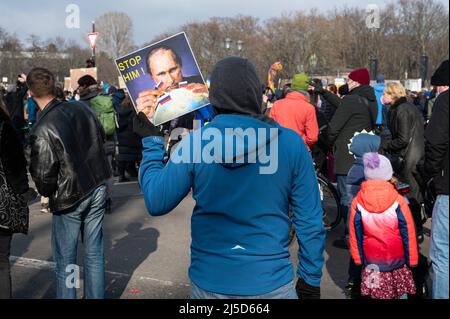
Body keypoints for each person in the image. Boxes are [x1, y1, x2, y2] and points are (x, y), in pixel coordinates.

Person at [133, 57, 326, 299]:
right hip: (271, 281)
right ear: (257, 95)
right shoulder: (291, 143)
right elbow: (309, 219)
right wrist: (310, 280)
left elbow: (156, 200)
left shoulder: (195, 143)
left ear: (215, 99)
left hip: (211, 282)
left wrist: (150, 142)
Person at [26, 68, 111, 299]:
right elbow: (101, 137)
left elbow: (44, 181)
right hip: (96, 183)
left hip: (72, 195)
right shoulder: (80, 107)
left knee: (67, 261)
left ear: (31, 92)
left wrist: (46, 191)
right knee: (94, 253)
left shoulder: (42, 129)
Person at [349, 152, 418, 299]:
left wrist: (357, 258)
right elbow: (409, 232)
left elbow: (355, 234)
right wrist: (412, 259)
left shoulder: (358, 202)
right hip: (397, 260)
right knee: (400, 291)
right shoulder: (398, 200)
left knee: (374, 293)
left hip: (372, 261)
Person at [325, 68, 378, 248]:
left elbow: (334, 128)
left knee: (348, 197)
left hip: (348, 155)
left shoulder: (351, 100)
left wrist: (326, 142)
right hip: (367, 154)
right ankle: (362, 233)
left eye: (349, 80)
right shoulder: (371, 100)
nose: (347, 83)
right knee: (361, 195)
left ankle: (351, 237)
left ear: (356, 82)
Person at [380, 82, 425, 240]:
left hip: (409, 157)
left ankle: (415, 231)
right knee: (413, 194)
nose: (383, 97)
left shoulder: (402, 110)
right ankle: (414, 229)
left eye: (386, 94)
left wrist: (386, 145)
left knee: (410, 196)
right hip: (414, 155)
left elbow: (403, 139)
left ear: (393, 94)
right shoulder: (407, 107)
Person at [0, 96, 33, 299]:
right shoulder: (5, 128)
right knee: (2, 262)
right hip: (4, 203)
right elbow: (16, 167)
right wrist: (23, 192)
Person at [136, 45, 207, 134]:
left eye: (173, 70)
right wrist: (148, 120)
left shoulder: (200, 85)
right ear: (153, 77)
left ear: (180, 66)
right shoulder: (151, 104)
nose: (170, 80)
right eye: (162, 74)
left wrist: (210, 100)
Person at [423, 59, 449, 299]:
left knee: (442, 256)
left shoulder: (445, 102)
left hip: (448, 189)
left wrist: (431, 174)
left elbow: (435, 142)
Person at [344, 133, 381, 298]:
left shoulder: (355, 168)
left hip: (356, 220)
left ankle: (353, 280)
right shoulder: (368, 169)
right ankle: (368, 285)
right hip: (369, 220)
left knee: (356, 252)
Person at [78, 75, 116, 214]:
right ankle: (108, 200)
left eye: (80, 85)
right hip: (108, 139)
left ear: (84, 85)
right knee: (108, 171)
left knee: (93, 172)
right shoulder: (105, 97)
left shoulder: (83, 102)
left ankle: (96, 201)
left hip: (90, 143)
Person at [269, 73, 319, 152]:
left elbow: (270, 129)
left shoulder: (277, 105)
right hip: (300, 150)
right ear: (306, 89)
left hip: (279, 149)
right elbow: (312, 137)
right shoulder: (309, 108)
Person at [116, 94, 142, 182]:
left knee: (123, 157)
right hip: (134, 136)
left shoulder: (120, 110)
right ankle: (138, 173)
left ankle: (121, 175)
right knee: (137, 156)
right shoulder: (135, 110)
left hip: (122, 137)